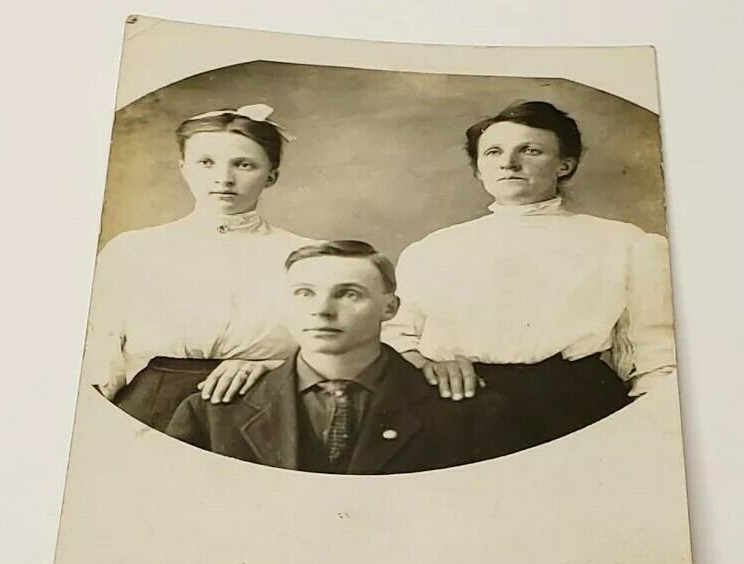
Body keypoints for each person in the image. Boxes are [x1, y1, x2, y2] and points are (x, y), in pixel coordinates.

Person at [382, 100, 676, 449]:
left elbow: (657, 359)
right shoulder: (432, 249)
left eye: (531, 150)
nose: (509, 162)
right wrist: (423, 363)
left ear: (565, 165)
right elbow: (394, 340)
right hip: (461, 407)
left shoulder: (626, 243)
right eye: (493, 152)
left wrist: (656, 431)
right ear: (478, 169)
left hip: (576, 407)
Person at [166, 241, 518, 474]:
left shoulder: (469, 411)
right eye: (304, 293)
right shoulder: (211, 411)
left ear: (390, 308)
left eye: (348, 294)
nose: (322, 310)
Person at [87, 104, 314, 431]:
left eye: (243, 164)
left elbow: (337, 351)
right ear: (184, 168)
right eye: (206, 163)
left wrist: (272, 367)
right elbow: (101, 354)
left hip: (266, 408)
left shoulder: (305, 255)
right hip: (153, 410)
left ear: (272, 175)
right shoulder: (133, 249)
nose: (224, 178)